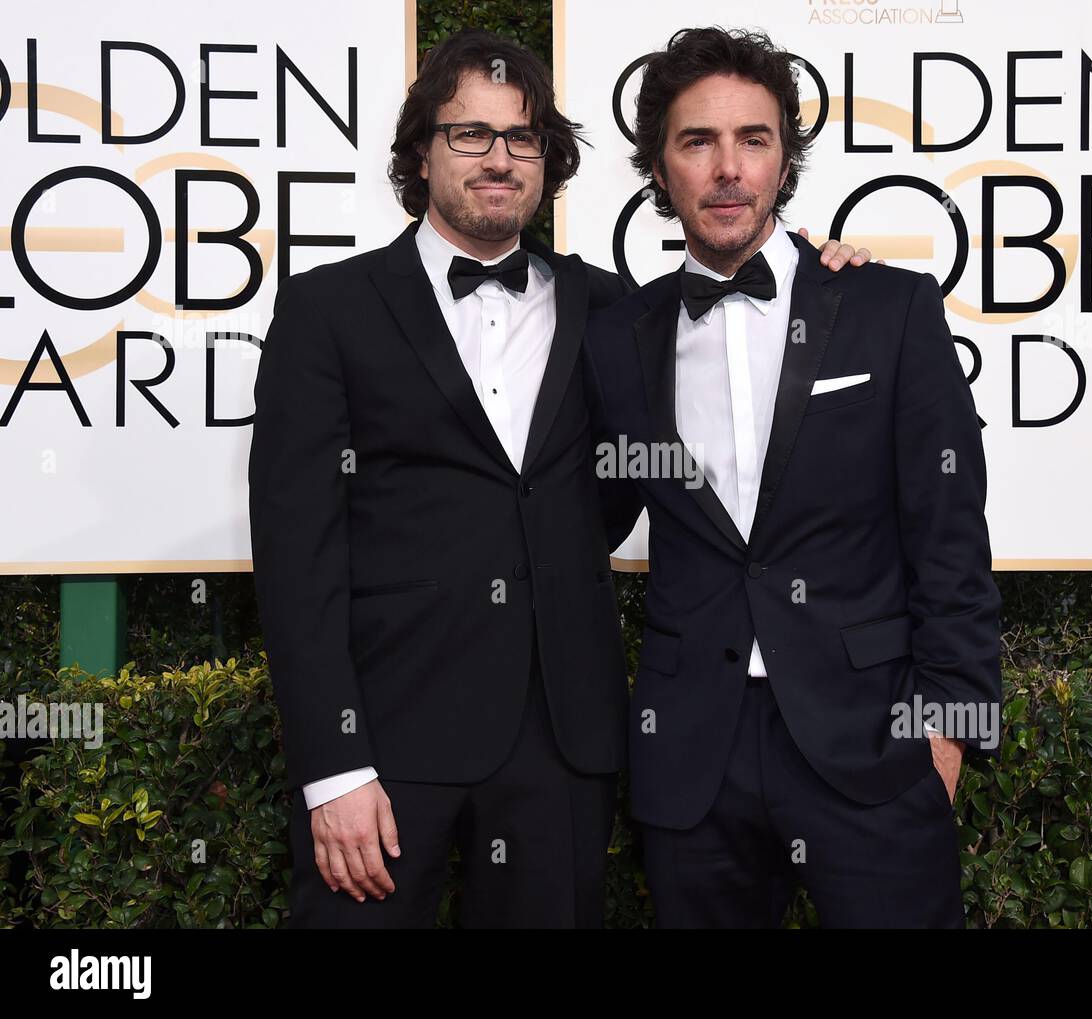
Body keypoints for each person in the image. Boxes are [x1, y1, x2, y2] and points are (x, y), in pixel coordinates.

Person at [247, 27, 868, 928]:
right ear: (422, 152)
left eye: (524, 138)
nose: (499, 159)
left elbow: (616, 491)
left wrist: (823, 266)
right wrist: (333, 766)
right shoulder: (327, 310)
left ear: (549, 160)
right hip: (385, 744)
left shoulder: (612, 311)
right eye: (470, 134)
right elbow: (296, 554)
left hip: (563, 747)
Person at [584, 26, 1004, 928]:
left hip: (874, 742)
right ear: (660, 169)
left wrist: (952, 728)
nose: (727, 168)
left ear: (784, 162)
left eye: (754, 139)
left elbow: (950, 532)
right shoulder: (618, 335)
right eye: (698, 142)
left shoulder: (888, 307)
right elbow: (585, 505)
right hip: (694, 751)